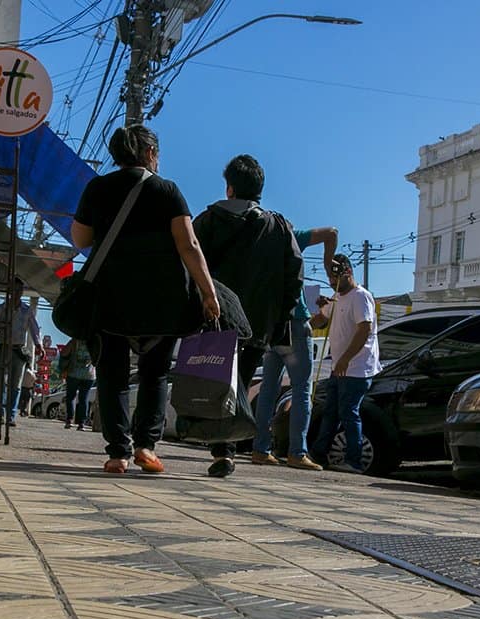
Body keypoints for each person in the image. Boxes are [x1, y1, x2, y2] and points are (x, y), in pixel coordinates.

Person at [70, 124, 219, 475]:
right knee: (155, 373)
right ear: (151, 153)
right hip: (162, 299)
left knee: (112, 372)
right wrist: (208, 292)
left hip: (111, 295)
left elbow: (81, 239)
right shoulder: (166, 190)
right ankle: (146, 447)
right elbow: (188, 244)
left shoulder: (98, 188)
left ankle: (117, 453)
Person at [193, 154, 304, 478]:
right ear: (260, 190)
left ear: (229, 188)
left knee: (214, 379)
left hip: (214, 318)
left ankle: (220, 446)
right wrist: (280, 316)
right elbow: (294, 276)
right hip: (257, 325)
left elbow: (190, 263)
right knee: (239, 380)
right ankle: (225, 448)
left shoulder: (207, 221)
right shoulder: (279, 227)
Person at [252, 226, 338, 471]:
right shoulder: (289, 237)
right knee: (302, 390)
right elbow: (331, 233)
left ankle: (260, 449)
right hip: (295, 323)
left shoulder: (259, 246)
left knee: (268, 390)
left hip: (271, 326)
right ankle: (297, 452)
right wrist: (328, 263)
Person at [308, 254, 382, 474]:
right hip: (339, 368)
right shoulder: (337, 297)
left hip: (356, 368)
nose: (332, 283)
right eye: (330, 279)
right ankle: (318, 453)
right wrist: (313, 314)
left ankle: (354, 461)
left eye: (335, 279)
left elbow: (364, 330)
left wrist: (345, 359)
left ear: (348, 273)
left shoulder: (361, 297)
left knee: (349, 413)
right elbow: (321, 321)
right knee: (330, 412)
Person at [0, 278, 41, 427]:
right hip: (3, 347)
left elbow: (34, 328)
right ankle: (0, 413)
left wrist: (38, 345)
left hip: (19, 349)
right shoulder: (1, 308)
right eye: (14, 289)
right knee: (1, 382)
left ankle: (11, 415)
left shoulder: (26, 310)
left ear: (22, 292)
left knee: (16, 385)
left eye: (19, 290)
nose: (16, 293)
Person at [57, 338, 95, 431]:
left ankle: (69, 420)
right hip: (89, 375)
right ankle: (81, 423)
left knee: (70, 397)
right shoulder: (95, 341)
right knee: (84, 399)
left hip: (73, 373)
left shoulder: (75, 340)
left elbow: (64, 353)